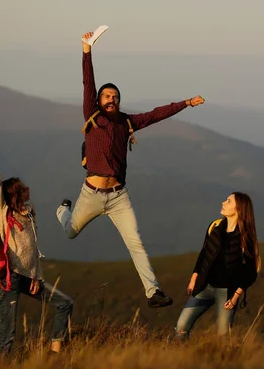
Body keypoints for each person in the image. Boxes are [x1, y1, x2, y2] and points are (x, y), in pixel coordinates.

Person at [56, 31, 205, 308]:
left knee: (136, 243)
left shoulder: (127, 123)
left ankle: (153, 293)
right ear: (99, 101)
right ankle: (62, 211)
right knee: (70, 232)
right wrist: (86, 50)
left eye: (115, 96)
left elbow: (156, 114)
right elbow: (88, 84)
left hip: (118, 196)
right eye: (106, 96)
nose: (110, 99)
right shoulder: (93, 117)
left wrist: (186, 103)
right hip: (90, 194)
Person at [0, 136, 73, 357]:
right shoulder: (4, 214)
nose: (27, 189)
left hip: (29, 277)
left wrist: (37, 278)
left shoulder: (28, 215)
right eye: (22, 188)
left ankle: (55, 355)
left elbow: (33, 251)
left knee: (64, 303)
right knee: (8, 331)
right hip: (10, 278)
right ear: (14, 194)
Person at [175, 192, 261, 339]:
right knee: (181, 328)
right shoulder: (214, 226)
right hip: (205, 286)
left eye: (228, 201)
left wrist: (235, 297)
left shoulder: (245, 236)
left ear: (238, 209)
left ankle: (224, 361)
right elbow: (204, 254)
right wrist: (194, 278)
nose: (223, 203)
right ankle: (181, 359)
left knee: (223, 337)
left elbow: (251, 271)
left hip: (227, 293)